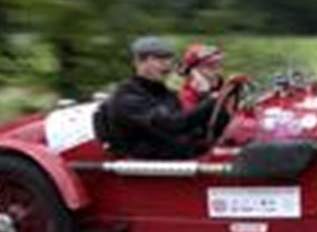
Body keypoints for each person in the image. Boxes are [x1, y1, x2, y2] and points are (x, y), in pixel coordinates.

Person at [94, 36, 228, 159]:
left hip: (180, 160)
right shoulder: (127, 98)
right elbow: (173, 124)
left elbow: (201, 129)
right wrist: (210, 100)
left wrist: (209, 94)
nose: (167, 64)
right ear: (139, 62)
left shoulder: (166, 94)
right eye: (159, 59)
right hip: (148, 171)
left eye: (169, 58)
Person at [178, 42, 225, 111]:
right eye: (210, 65)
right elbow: (191, 118)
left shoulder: (221, 86)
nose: (216, 68)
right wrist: (206, 95)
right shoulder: (188, 94)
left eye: (218, 63)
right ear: (194, 70)